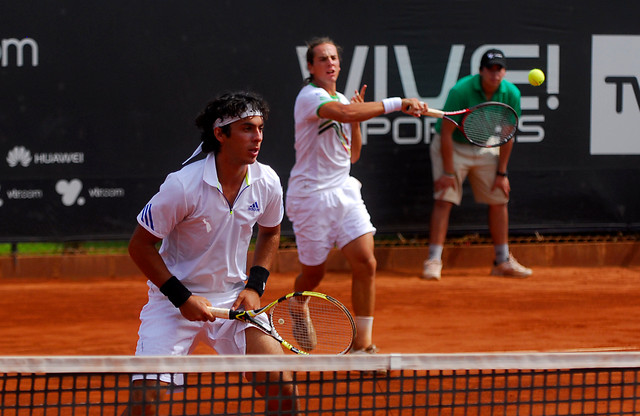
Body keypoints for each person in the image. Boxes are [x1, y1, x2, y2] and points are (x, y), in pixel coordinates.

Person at [125, 91, 296, 414]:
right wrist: (182, 298)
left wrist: (254, 287)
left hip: (233, 302)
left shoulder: (268, 181)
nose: (257, 137)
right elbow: (139, 245)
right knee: (145, 404)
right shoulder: (182, 186)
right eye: (247, 128)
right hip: (173, 304)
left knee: (282, 387)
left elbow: (270, 232)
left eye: (260, 128)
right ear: (220, 134)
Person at [286, 36, 427, 354]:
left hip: (345, 191)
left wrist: (358, 118)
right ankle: (298, 304)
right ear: (311, 66)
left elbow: (353, 156)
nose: (330, 63)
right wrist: (398, 103)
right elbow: (345, 114)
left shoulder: (344, 104)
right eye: (322, 59)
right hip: (310, 197)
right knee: (314, 273)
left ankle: (362, 345)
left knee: (366, 263)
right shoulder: (310, 97)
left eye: (333, 58)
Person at [422, 49, 532, 280]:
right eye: (490, 69)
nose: (495, 74)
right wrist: (449, 171)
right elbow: (446, 134)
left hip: (485, 146)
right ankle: (433, 259)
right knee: (445, 197)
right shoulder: (461, 91)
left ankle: (502, 261)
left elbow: (507, 135)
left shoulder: (511, 93)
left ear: (504, 71)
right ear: (481, 71)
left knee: (500, 198)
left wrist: (502, 173)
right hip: (453, 145)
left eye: (499, 69)